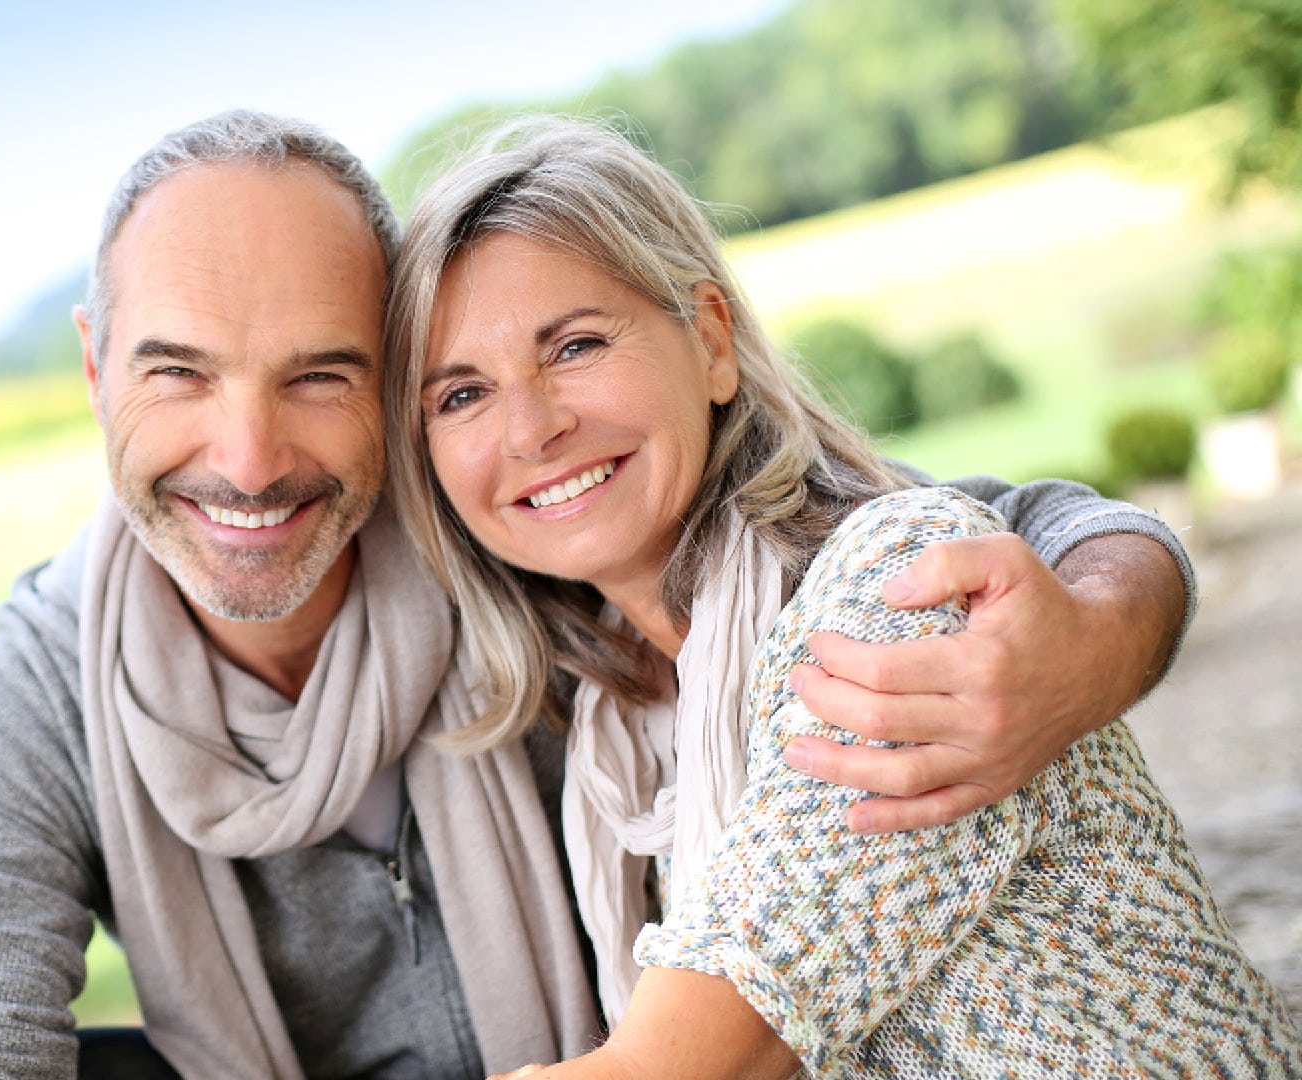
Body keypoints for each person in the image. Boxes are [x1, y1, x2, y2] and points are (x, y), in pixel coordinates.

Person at [0, 110, 1201, 1080]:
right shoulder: (42, 699)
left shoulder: (510, 551)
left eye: (320, 374)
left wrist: (1096, 631)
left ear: (386, 385)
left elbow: (983, 536)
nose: (248, 462)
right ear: (92, 367)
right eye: (178, 372)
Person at [382, 117, 1302, 1077]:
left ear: (711, 344)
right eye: (460, 396)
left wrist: (1116, 612)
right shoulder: (615, 718)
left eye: (573, 346)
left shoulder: (896, 597)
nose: (531, 428)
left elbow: (682, 1060)